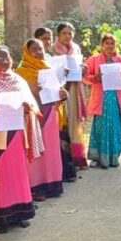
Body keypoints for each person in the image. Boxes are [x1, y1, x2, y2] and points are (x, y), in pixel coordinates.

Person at [0, 46, 41, 231]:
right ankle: (0, 218)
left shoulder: (19, 81)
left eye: (7, 57)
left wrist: (27, 109)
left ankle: (20, 213)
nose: (4, 61)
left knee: (18, 174)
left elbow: (32, 107)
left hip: (17, 136)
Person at [16, 38, 68, 198]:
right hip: (34, 116)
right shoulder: (21, 72)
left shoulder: (47, 68)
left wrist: (62, 93)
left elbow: (57, 89)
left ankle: (53, 183)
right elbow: (20, 96)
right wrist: (33, 91)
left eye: (41, 49)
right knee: (37, 149)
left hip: (51, 112)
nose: (39, 52)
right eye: (34, 50)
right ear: (27, 52)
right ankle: (36, 187)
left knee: (51, 149)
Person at [36, 26, 78, 183]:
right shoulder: (28, 64)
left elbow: (56, 82)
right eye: (44, 38)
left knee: (60, 137)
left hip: (56, 104)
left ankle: (62, 173)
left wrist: (63, 76)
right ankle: (46, 176)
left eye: (49, 38)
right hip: (41, 107)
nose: (47, 41)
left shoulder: (50, 58)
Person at [83, 32, 121, 169]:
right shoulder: (94, 60)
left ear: (116, 45)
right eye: (106, 43)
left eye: (112, 43)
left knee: (115, 127)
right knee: (99, 127)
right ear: (101, 45)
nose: (109, 46)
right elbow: (85, 76)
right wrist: (95, 78)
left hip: (116, 99)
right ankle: (97, 157)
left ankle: (113, 158)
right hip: (100, 99)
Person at [53, 22, 89, 170]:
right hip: (59, 90)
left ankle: (77, 158)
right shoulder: (53, 50)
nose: (67, 36)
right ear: (58, 35)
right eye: (64, 33)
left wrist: (83, 68)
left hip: (74, 89)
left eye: (70, 33)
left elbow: (80, 68)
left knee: (74, 121)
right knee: (62, 121)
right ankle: (63, 161)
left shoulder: (76, 49)